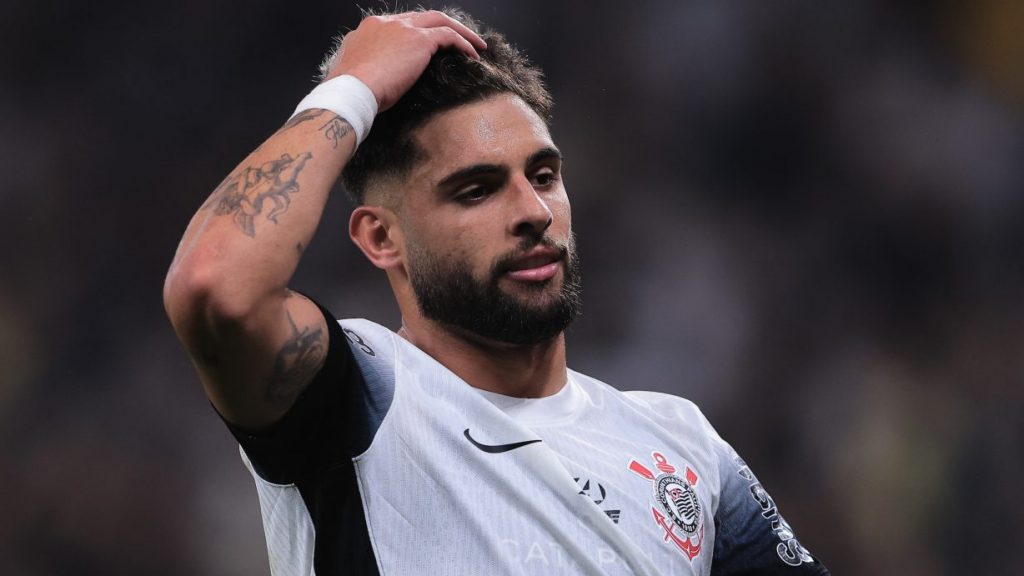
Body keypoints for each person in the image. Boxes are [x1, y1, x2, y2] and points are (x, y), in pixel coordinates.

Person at [164, 8, 830, 576]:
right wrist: (350, 89)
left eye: (542, 175)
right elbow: (215, 285)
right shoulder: (354, 398)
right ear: (380, 238)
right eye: (476, 190)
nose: (533, 212)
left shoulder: (680, 444)